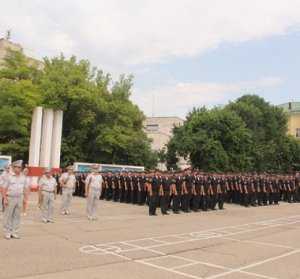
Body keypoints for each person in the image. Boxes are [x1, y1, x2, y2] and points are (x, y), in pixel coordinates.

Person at [2, 160, 29, 239]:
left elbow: (25, 188)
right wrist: (5, 199)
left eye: (20, 167)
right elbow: (4, 188)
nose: (18, 169)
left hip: (19, 198)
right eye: (16, 167)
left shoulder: (23, 177)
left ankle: (15, 232)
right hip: (10, 198)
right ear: (13, 168)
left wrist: (25, 198)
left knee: (17, 216)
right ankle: (8, 232)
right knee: (8, 215)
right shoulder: (8, 177)